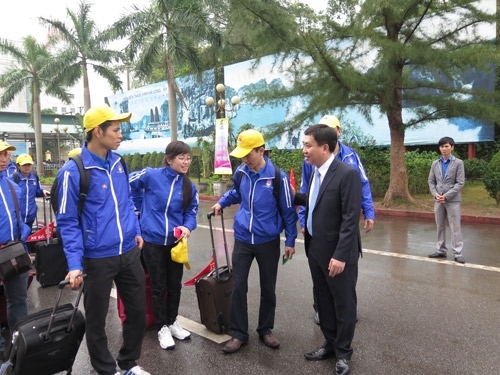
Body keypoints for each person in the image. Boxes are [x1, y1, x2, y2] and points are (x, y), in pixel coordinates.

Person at [55, 104, 150, 375]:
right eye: (116, 129)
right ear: (98, 131)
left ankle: (128, 363)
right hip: (96, 258)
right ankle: (107, 371)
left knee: (137, 312)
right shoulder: (73, 172)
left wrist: (135, 230)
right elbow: (67, 222)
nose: (121, 135)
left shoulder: (119, 163)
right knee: (96, 321)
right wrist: (75, 264)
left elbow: (126, 201)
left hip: (129, 252)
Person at [211, 129, 297, 354]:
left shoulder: (277, 177)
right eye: (242, 155)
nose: (244, 159)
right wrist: (221, 202)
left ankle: (265, 329)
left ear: (261, 150)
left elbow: (289, 212)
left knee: (268, 287)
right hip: (242, 239)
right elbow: (236, 193)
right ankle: (239, 333)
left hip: (267, 240)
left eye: (248, 154)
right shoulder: (241, 172)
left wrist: (290, 240)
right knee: (238, 286)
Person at [294, 124, 361, 375]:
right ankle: (331, 344)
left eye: (308, 145)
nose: (304, 150)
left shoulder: (347, 174)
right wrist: (294, 196)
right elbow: (315, 202)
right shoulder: (314, 173)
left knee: (343, 304)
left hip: (337, 255)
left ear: (325, 147)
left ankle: (344, 353)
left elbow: (349, 218)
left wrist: (341, 256)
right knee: (323, 302)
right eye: (303, 145)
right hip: (316, 249)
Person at [298, 114, 374, 325]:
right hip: (319, 236)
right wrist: (304, 220)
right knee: (321, 281)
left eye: (331, 129)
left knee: (343, 286)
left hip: (341, 234)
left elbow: (362, 187)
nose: (305, 150)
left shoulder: (350, 158)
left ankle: (345, 328)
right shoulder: (311, 163)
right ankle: (321, 312)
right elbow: (307, 191)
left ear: (338, 133)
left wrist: (369, 212)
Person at [129, 141, 199, 351]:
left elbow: (192, 211)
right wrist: (138, 211)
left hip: (175, 243)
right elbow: (128, 185)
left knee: (174, 285)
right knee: (158, 286)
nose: (186, 162)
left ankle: (172, 321)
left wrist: (187, 227)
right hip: (152, 241)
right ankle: (162, 328)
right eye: (181, 158)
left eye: (188, 158)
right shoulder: (151, 175)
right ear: (169, 159)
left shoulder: (189, 185)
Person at [0, 142, 31, 358]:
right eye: (0, 154)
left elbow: (18, 218)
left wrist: (23, 238)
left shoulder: (13, 187)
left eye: (6, 154)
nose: (4, 158)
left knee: (18, 300)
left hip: (13, 251)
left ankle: (19, 342)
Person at [427, 136, 465, 264]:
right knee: (440, 226)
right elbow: (431, 181)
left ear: (452, 147)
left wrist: (446, 195)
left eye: (447, 146)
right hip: (438, 199)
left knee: (455, 227)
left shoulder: (458, 163)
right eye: (442, 146)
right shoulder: (435, 163)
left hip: (452, 200)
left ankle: (458, 253)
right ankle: (441, 250)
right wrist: (435, 194)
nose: (444, 149)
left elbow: (460, 183)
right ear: (439, 148)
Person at [9, 153, 49, 230]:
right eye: (24, 165)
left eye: (29, 165)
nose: (27, 167)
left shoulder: (34, 177)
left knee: (27, 236)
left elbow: (37, 190)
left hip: (31, 215)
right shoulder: (13, 178)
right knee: (16, 239)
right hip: (17, 216)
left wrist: (42, 191)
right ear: (18, 166)